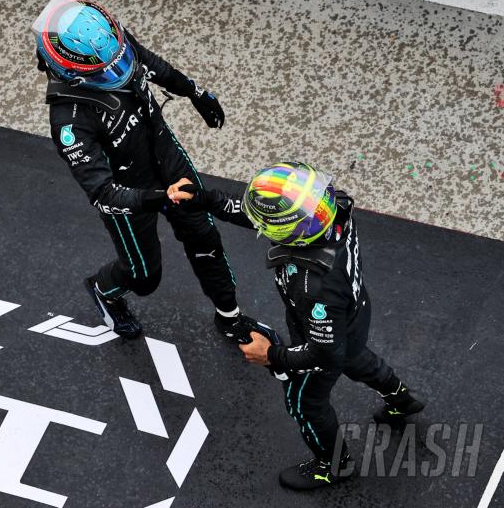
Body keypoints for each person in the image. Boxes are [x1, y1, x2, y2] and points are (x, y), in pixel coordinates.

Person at [167, 162, 425, 490]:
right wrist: (204, 199)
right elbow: (267, 216)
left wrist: (272, 355)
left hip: (322, 330)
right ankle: (400, 398)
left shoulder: (313, 284)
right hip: (354, 314)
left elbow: (324, 354)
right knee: (356, 355)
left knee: (305, 403)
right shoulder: (333, 206)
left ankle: (334, 467)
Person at [32, 0, 261, 341]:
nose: (119, 70)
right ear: (72, 73)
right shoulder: (69, 122)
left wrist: (195, 92)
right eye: (106, 70)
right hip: (131, 194)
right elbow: (102, 194)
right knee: (144, 278)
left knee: (205, 237)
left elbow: (149, 62)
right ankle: (102, 289)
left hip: (164, 156)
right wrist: (160, 198)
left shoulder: (108, 42)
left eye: (119, 59)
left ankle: (229, 317)